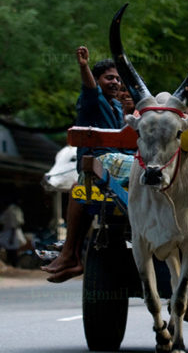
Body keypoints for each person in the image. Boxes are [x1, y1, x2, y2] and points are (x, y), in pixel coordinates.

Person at [41, 46, 132, 282]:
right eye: (109, 77)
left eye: (118, 79)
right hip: (101, 165)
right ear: (98, 79)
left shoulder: (116, 107)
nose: (115, 82)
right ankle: (71, 254)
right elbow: (90, 90)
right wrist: (83, 67)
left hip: (111, 167)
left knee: (79, 190)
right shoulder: (94, 100)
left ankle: (71, 255)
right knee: (80, 189)